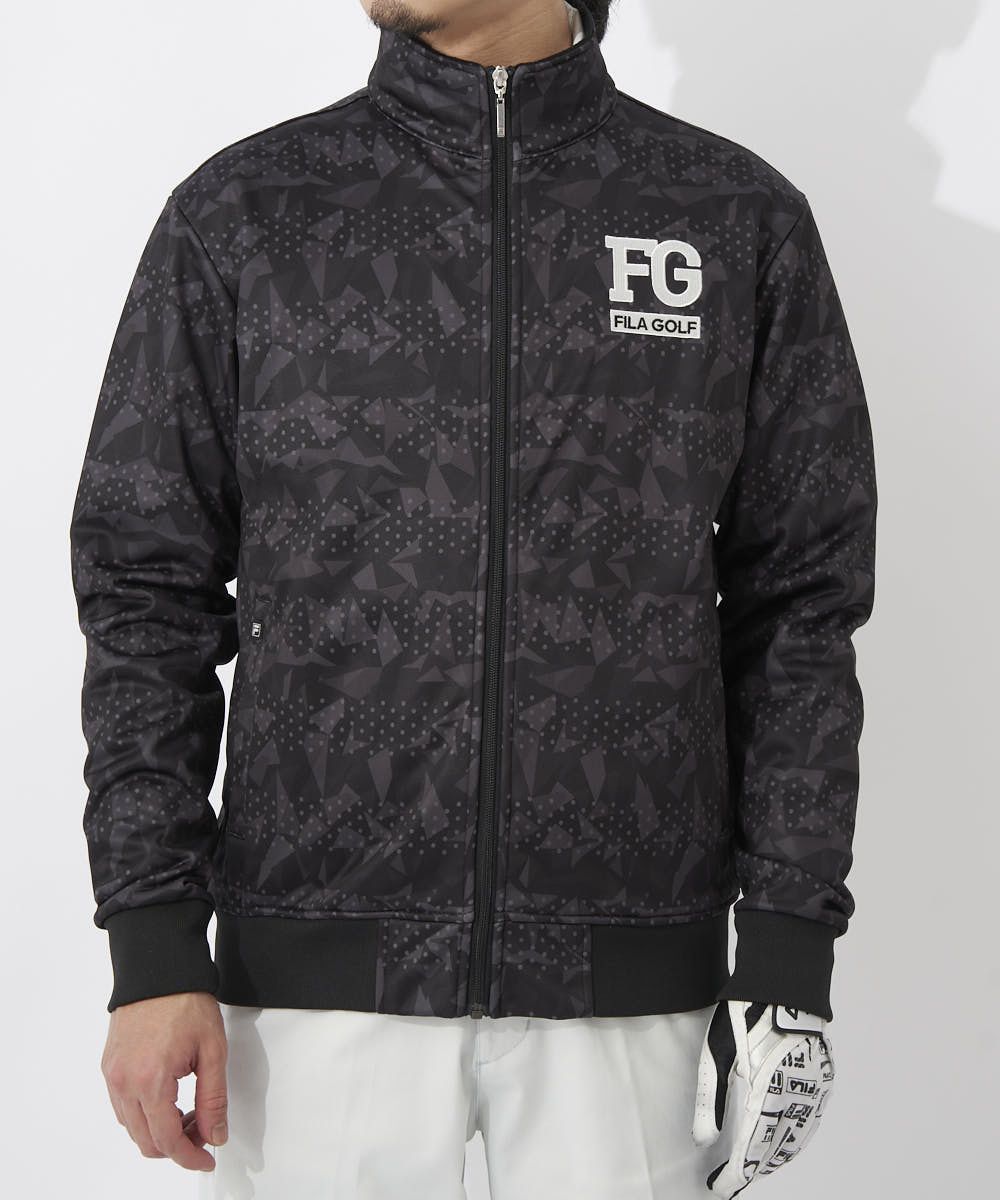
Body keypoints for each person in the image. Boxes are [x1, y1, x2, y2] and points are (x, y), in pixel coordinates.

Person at [68, 1, 877, 1197]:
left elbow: (801, 604)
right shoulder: (252, 210)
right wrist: (151, 941)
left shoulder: (726, 217)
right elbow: (145, 588)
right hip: (312, 983)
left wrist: (788, 955)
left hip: (629, 985)